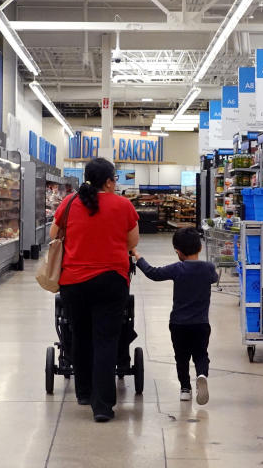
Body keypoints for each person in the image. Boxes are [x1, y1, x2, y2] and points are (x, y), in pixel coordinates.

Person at [52, 157, 139, 422]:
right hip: (111, 280)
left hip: (73, 282)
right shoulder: (123, 205)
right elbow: (131, 241)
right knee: (106, 341)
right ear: (110, 181)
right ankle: (102, 407)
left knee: (80, 336)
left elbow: (54, 235)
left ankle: (84, 392)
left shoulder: (69, 203)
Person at [134, 227, 217, 405]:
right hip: (201, 323)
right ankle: (202, 375)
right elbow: (213, 278)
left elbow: (153, 273)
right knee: (201, 354)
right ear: (200, 248)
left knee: (181, 357)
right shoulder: (208, 268)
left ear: (178, 251)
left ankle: (185, 389)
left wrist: (138, 257)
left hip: (178, 324)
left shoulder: (178, 269)